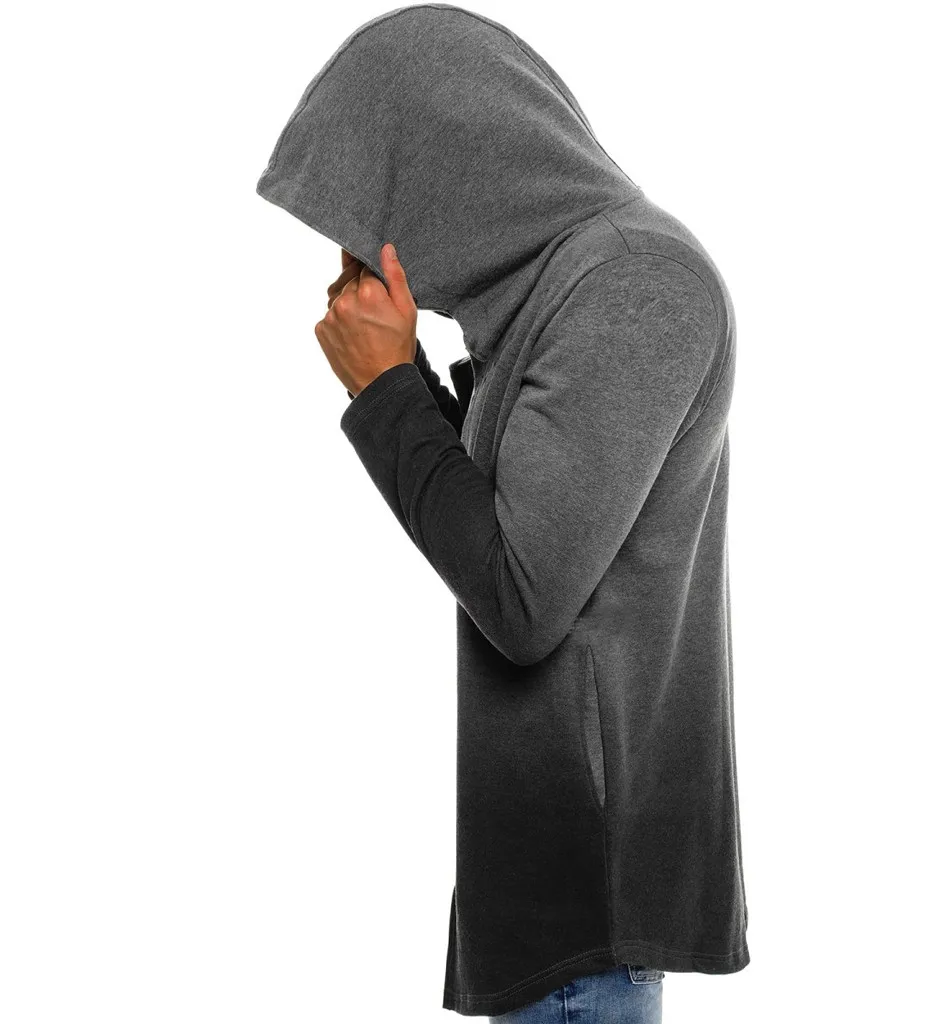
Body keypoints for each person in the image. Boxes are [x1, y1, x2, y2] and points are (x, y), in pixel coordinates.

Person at [256, 4, 749, 1020]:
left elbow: (521, 603)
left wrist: (385, 390)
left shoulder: (630, 284)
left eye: (375, 207)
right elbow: (510, 531)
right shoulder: (567, 292)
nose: (361, 248)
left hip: (586, 918)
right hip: (553, 903)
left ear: (452, 166)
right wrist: (404, 376)